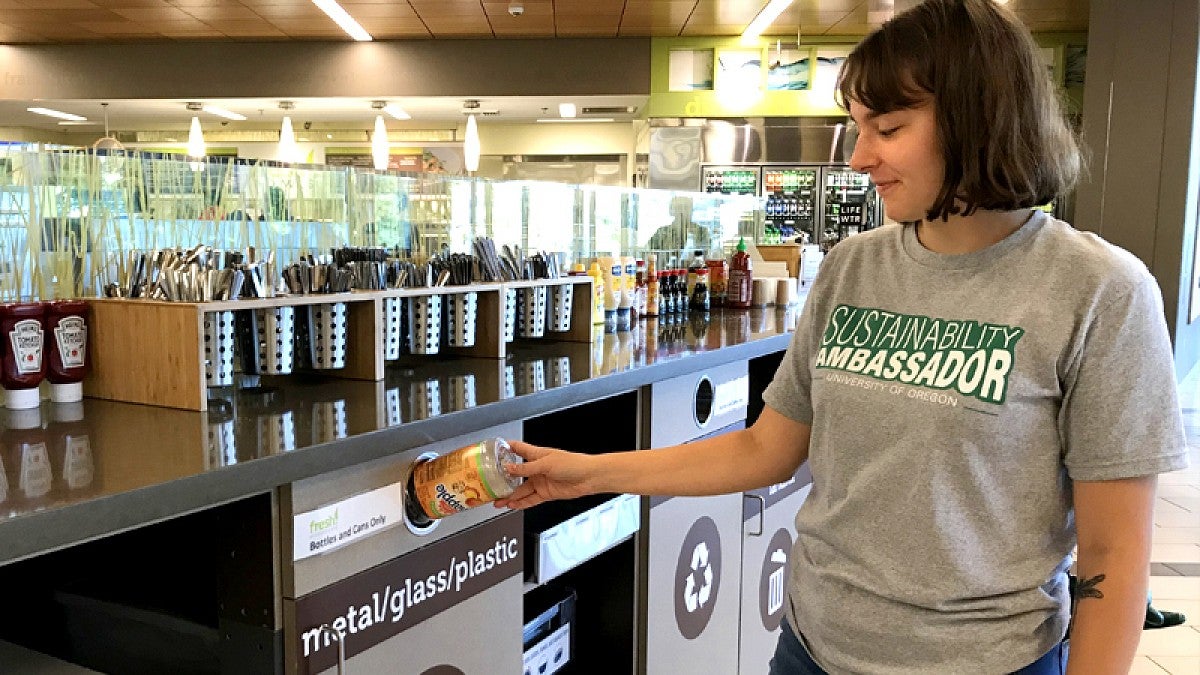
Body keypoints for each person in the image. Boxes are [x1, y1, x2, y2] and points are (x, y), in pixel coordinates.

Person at [496, 1, 1191, 673]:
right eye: (857, 126)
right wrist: (584, 471)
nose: (860, 157)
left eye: (886, 128)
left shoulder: (1100, 290)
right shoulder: (854, 266)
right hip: (811, 648)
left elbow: (1114, 551)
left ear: (981, 118)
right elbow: (765, 449)